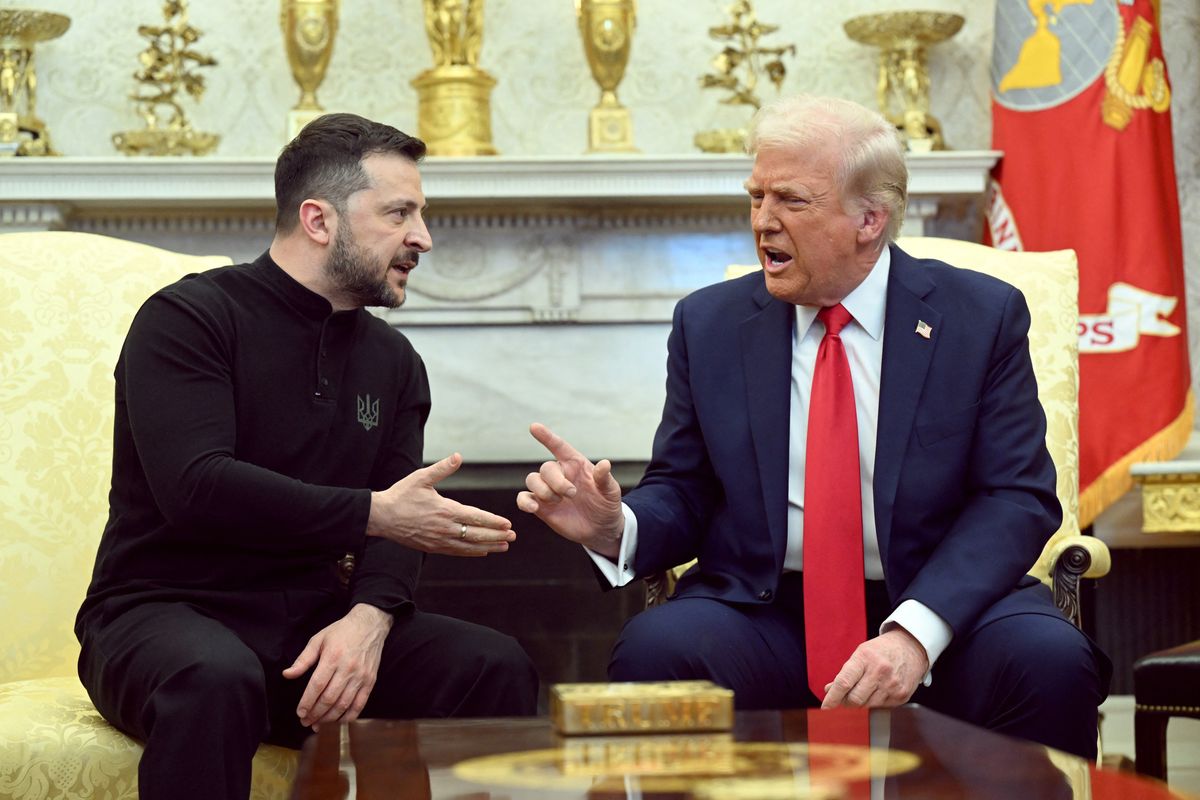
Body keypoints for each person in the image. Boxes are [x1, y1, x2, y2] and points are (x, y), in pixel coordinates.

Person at [518, 94, 1108, 759]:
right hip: (765, 608)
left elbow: (1015, 497)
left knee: (1049, 660)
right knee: (658, 650)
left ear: (870, 219)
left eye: (791, 202)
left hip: (944, 600)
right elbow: (684, 486)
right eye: (755, 197)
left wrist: (915, 632)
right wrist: (615, 527)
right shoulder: (710, 325)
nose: (762, 222)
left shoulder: (980, 316)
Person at [75, 113, 538, 800]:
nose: (424, 238)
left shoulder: (394, 360)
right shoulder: (190, 319)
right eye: (399, 213)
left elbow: (399, 516)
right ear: (319, 220)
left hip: (309, 627)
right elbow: (196, 488)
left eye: (422, 213)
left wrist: (368, 619)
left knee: (489, 663)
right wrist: (373, 514)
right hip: (160, 614)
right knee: (214, 676)